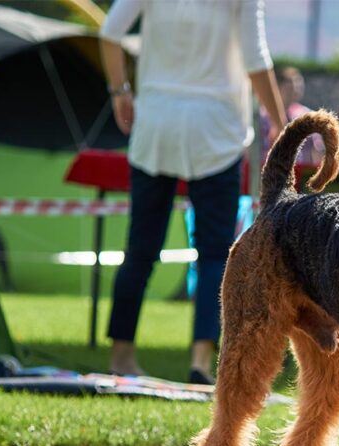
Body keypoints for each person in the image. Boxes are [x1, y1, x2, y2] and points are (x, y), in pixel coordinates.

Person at [99, 0, 286, 382]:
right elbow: (256, 58)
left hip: (155, 124)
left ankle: (121, 357)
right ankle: (202, 361)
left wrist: (119, 89)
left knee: (140, 251)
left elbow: (110, 33)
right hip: (215, 130)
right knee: (215, 254)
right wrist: (280, 122)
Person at [260, 66, 324, 167]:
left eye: (298, 88)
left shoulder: (306, 116)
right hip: (269, 171)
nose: (295, 92)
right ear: (278, 88)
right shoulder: (262, 117)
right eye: (290, 88)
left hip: (299, 172)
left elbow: (315, 150)